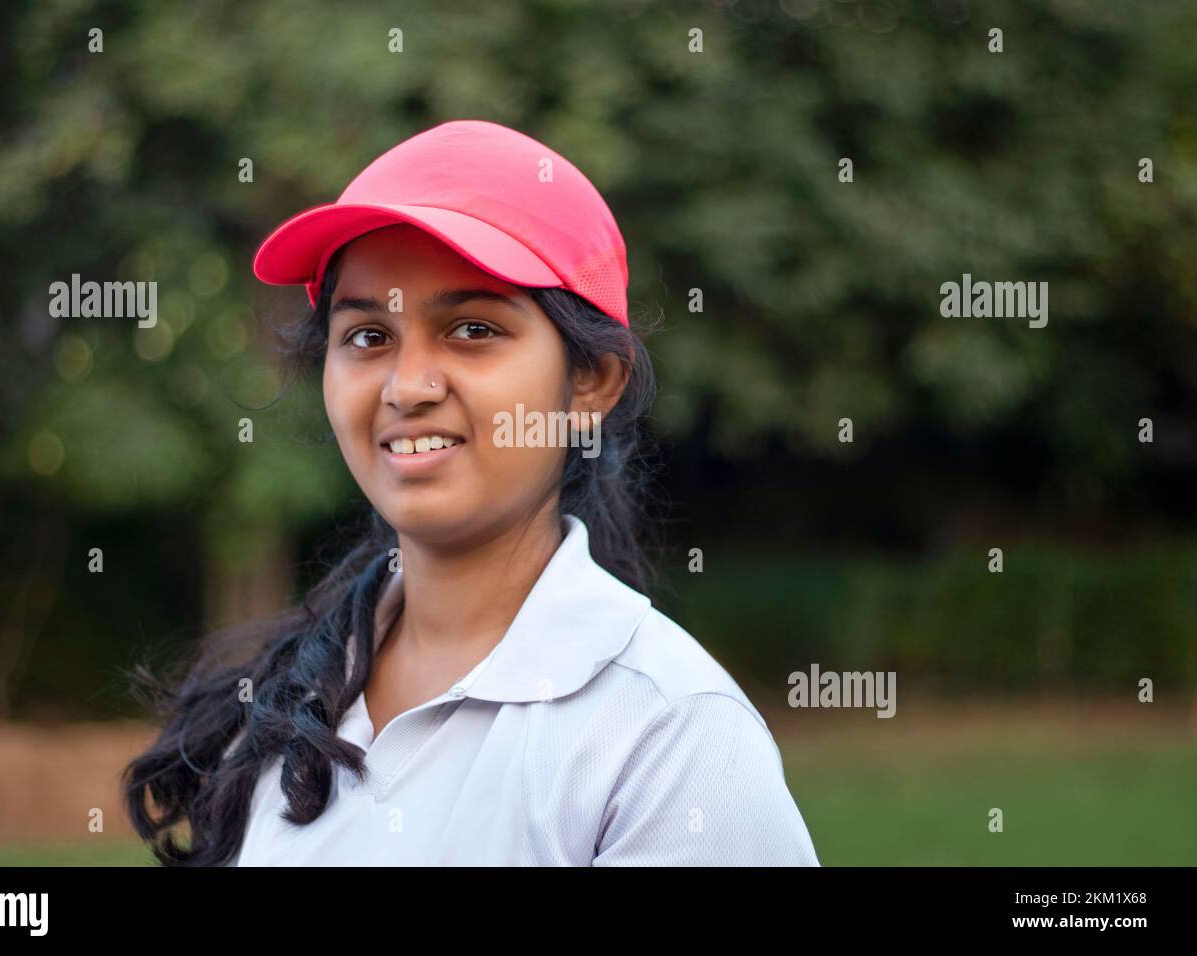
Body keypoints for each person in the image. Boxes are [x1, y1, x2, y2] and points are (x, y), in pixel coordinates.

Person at [123, 119, 819, 866]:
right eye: (367, 336)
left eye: (473, 328)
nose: (408, 386)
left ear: (591, 382)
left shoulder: (672, 740)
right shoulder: (280, 710)